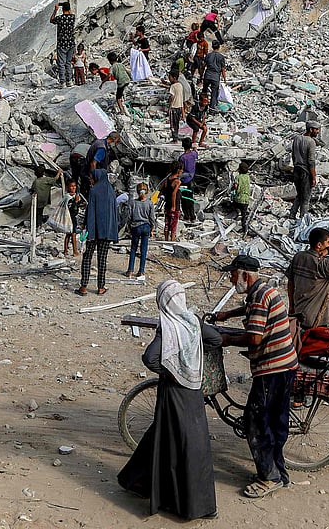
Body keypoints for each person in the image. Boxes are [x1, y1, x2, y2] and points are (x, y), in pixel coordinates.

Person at [118, 280, 220, 520]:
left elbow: (149, 358)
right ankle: (136, 481)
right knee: (180, 440)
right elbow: (215, 340)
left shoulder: (168, 326)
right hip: (193, 390)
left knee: (176, 443)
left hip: (174, 391)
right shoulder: (193, 321)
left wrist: (171, 369)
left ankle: (180, 503)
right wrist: (192, 361)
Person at [208, 255, 297, 499]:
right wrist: (227, 315)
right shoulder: (264, 291)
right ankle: (279, 471)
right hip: (286, 364)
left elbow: (255, 338)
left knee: (257, 423)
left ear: (245, 275)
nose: (231, 279)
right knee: (276, 422)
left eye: (233, 274)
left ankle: (269, 477)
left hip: (272, 367)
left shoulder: (258, 297)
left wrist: (227, 340)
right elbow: (250, 308)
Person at [77, 169, 118, 296]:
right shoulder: (111, 192)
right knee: (102, 258)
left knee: (87, 257)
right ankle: (101, 287)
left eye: (92, 177)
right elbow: (114, 213)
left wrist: (85, 225)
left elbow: (90, 210)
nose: (91, 180)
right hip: (106, 231)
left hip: (93, 229)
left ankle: (83, 286)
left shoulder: (93, 191)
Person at [290, 121, 320, 220]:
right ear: (311, 130)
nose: (318, 132)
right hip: (305, 172)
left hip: (296, 170)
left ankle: (292, 215)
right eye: (316, 130)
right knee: (306, 199)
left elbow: (293, 156)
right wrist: (314, 177)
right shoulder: (311, 142)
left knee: (299, 194)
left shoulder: (296, 139)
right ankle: (303, 220)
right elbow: (311, 161)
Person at [126, 182, 155, 278]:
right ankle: (141, 271)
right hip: (146, 226)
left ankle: (130, 270)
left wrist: (129, 227)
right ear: (147, 191)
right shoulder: (150, 203)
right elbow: (152, 217)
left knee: (133, 248)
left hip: (136, 226)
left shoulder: (133, 203)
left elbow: (129, 216)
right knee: (143, 249)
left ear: (137, 192)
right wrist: (152, 228)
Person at [51, 2, 76, 88]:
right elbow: (71, 12)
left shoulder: (60, 18)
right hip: (71, 43)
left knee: (61, 63)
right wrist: (66, 6)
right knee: (68, 63)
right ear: (69, 9)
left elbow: (51, 20)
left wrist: (55, 10)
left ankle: (62, 82)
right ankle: (69, 81)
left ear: (62, 9)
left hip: (62, 43)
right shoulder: (72, 17)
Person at [160, 162, 183, 241]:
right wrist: (174, 206)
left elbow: (161, 187)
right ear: (178, 171)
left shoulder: (167, 179)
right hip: (174, 205)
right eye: (181, 170)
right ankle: (172, 240)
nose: (182, 171)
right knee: (173, 225)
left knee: (167, 224)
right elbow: (174, 194)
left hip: (167, 204)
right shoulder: (177, 182)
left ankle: (166, 239)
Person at [202, 40, 227, 109]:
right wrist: (225, 80)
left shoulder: (208, 55)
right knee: (214, 93)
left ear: (212, 47)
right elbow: (223, 69)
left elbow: (203, 66)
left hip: (207, 75)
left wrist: (201, 75)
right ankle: (212, 107)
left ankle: (202, 104)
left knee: (204, 91)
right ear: (219, 47)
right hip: (215, 77)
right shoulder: (221, 57)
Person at [167, 65, 187, 142]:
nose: (169, 79)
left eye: (170, 77)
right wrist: (183, 111)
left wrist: (169, 107)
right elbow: (181, 98)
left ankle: (174, 139)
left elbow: (172, 97)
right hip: (179, 107)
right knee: (177, 124)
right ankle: (176, 137)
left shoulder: (173, 86)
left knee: (172, 124)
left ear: (174, 78)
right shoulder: (180, 85)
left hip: (174, 107)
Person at [232, 161, 253, 235]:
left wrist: (232, 189)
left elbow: (235, 186)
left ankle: (237, 214)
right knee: (244, 214)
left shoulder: (238, 177)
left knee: (234, 204)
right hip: (246, 199)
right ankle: (244, 227)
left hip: (239, 198)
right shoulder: (248, 177)